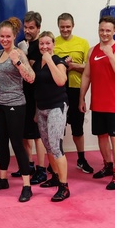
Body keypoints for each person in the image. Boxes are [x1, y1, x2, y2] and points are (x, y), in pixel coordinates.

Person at [0, 17, 36, 202]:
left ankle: (27, 186)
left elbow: (31, 78)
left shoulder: (18, 54)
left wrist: (18, 63)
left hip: (16, 104)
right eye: (2, 36)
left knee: (17, 144)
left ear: (14, 36)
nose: (4, 39)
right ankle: (3, 179)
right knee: (1, 143)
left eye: (8, 36)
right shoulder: (0, 53)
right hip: (1, 105)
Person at [79, 16, 115, 190]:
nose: (104, 33)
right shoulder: (92, 50)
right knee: (101, 136)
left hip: (114, 103)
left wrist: (111, 56)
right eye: (102, 30)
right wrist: (82, 98)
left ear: (114, 31)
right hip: (97, 102)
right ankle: (108, 165)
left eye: (108, 30)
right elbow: (87, 75)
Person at [33, 31, 71, 201]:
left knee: (56, 147)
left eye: (48, 43)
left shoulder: (58, 61)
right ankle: (55, 176)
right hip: (41, 108)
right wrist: (36, 111)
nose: (44, 46)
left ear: (54, 45)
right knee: (47, 145)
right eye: (42, 43)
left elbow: (61, 81)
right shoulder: (37, 64)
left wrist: (49, 60)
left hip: (56, 107)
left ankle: (64, 186)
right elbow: (37, 88)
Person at [54, 12, 93, 174]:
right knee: (57, 128)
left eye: (68, 27)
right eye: (62, 27)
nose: (65, 30)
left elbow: (89, 67)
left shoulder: (82, 43)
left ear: (73, 26)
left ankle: (81, 159)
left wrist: (74, 66)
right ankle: (56, 160)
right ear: (58, 26)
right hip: (57, 90)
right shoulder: (53, 42)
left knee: (77, 128)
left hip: (76, 89)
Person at [16, 11, 48, 184]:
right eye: (26, 27)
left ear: (38, 28)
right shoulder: (22, 44)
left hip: (38, 95)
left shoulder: (41, 46)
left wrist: (25, 58)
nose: (27, 31)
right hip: (23, 95)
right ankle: (28, 165)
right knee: (24, 133)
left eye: (31, 28)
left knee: (38, 135)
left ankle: (42, 169)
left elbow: (33, 72)